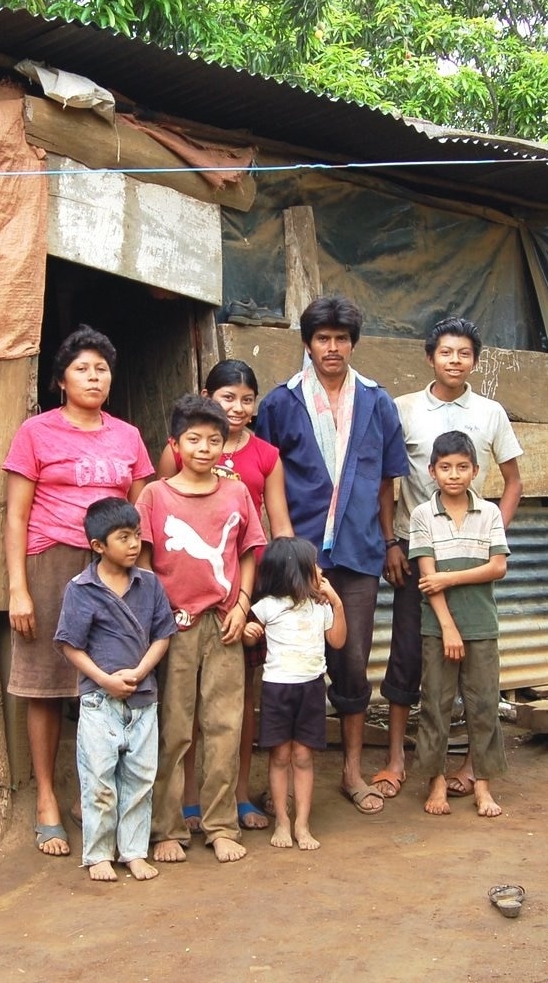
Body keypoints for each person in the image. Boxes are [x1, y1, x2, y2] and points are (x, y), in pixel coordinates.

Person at [3, 326, 155, 858]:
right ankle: (47, 798)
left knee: (108, 681)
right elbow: (16, 515)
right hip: (51, 561)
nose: (94, 377)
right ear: (61, 380)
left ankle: (92, 793)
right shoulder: (36, 433)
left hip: (111, 567)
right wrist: (18, 588)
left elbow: (139, 516)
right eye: (82, 369)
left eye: (102, 369)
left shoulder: (128, 437)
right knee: (46, 683)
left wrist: (143, 580)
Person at [254, 295, 409, 815]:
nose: (333, 348)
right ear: (308, 343)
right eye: (323, 338)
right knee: (287, 662)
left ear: (353, 344)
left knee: (351, 660)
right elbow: (266, 479)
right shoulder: (281, 403)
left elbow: (386, 482)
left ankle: (350, 772)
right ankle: (282, 780)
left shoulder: (376, 401)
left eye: (342, 339)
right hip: (294, 558)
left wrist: (389, 541)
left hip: (359, 552)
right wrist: (281, 549)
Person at [376, 316, 524, 802]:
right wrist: (390, 542)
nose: (454, 361)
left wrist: (492, 532)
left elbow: (514, 481)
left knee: (474, 659)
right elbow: (386, 481)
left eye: (464, 353)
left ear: (475, 361)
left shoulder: (491, 412)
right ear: (430, 357)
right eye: (446, 352)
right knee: (407, 654)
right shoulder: (404, 408)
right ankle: (397, 760)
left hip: (470, 557)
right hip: (414, 550)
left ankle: (470, 766)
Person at [158, 360, 294, 834]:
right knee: (179, 716)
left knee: (231, 709)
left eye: (246, 399)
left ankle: (231, 804)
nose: (237, 407)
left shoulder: (258, 465)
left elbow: (271, 532)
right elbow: (152, 539)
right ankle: (181, 809)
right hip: (178, 612)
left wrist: (254, 599)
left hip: (235, 603)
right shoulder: (166, 475)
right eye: (227, 397)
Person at [138, 394, 266, 863]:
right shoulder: (154, 496)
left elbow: (249, 552)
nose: (204, 449)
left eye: (214, 440)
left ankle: (221, 825)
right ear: (175, 444)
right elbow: (144, 562)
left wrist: (243, 606)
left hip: (224, 623)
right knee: (173, 729)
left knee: (225, 726)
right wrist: (158, 617)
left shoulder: (235, 493)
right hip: (173, 627)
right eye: (194, 440)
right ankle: (166, 827)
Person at [55, 497, 175, 882]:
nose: (134, 544)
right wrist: (105, 680)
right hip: (98, 700)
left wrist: (140, 672)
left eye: (137, 534)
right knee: (99, 780)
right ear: (98, 546)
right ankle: (98, 855)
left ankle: (134, 852)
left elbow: (163, 636)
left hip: (143, 697)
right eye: (123, 537)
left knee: (140, 779)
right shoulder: (81, 588)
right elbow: (70, 645)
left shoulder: (149, 583)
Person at [408, 431, 510, 819]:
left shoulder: (490, 513)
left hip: (482, 623)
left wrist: (449, 579)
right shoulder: (422, 515)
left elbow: (497, 567)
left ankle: (482, 784)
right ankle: (435, 781)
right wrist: (448, 627)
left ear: (476, 471)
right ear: (432, 471)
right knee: (436, 703)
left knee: (484, 704)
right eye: (446, 467)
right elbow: (427, 578)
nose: (454, 475)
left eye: (462, 467)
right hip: (438, 627)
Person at [249, 537, 347, 851]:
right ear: (295, 572)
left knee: (303, 756)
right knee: (279, 756)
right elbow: (248, 638)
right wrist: (250, 633)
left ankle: (302, 824)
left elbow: (338, 641)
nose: (320, 570)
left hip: (311, 688)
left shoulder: (321, 606)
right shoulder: (267, 606)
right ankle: (282, 820)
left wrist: (337, 604)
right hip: (277, 689)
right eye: (313, 565)